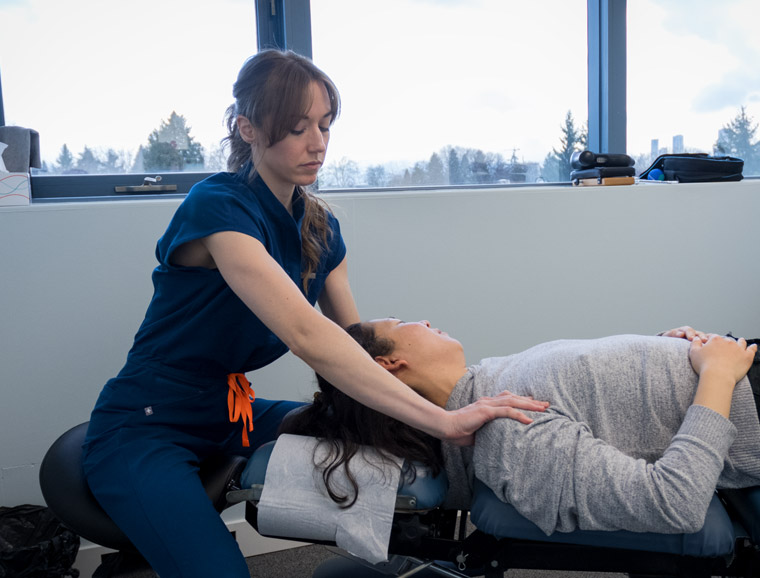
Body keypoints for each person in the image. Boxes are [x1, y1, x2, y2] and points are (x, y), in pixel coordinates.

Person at [80, 51, 546, 578]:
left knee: (389, 436)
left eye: (325, 125)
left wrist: (449, 404)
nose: (318, 142)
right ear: (248, 129)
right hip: (145, 422)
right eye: (297, 127)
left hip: (231, 412)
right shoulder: (216, 206)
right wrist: (444, 419)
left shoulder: (319, 228)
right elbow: (307, 335)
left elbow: (354, 345)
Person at [282, 319, 760, 536]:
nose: (424, 319)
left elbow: (613, 407)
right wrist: (715, 375)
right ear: (392, 364)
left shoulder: (487, 386)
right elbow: (673, 504)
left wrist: (667, 353)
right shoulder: (508, 432)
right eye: (406, 321)